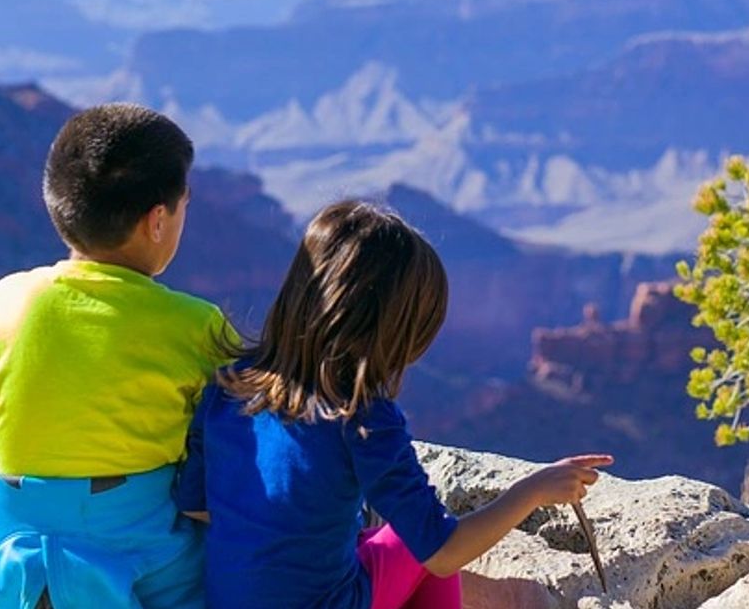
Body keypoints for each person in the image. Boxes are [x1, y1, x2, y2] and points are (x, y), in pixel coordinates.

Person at [174, 199, 611, 609]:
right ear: (391, 328)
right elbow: (441, 551)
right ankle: (522, 601)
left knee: (377, 539)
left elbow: (196, 506)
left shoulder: (228, 385)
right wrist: (534, 489)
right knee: (415, 543)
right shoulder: (361, 417)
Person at [0, 104, 232, 609]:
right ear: (157, 220)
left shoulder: (0, 300)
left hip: (10, 570)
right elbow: (224, 478)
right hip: (142, 567)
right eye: (184, 206)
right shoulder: (197, 326)